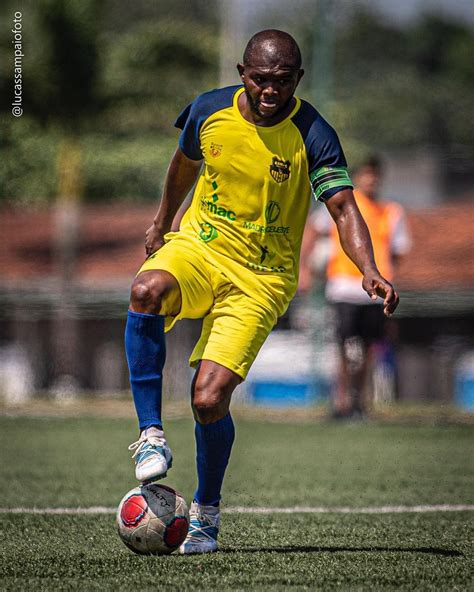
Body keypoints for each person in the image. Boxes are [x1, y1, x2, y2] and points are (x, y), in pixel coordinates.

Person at [124, 30, 399, 554]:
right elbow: (184, 163)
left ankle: (205, 515)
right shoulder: (209, 111)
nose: (270, 91)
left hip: (260, 279)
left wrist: (369, 268)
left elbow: (343, 206)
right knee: (145, 290)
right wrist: (162, 222)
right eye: (260, 79)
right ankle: (151, 433)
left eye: (282, 81)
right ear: (242, 72)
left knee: (208, 400)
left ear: (298, 79)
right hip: (201, 250)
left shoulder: (314, 133)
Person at [299, 156, 410, 418]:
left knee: (370, 348)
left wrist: (385, 276)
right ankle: (341, 402)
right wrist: (305, 268)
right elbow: (314, 230)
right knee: (344, 347)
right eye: (366, 174)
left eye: (375, 175)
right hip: (343, 286)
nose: (371, 180)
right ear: (358, 177)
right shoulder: (344, 205)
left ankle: (361, 403)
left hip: (375, 291)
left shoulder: (391, 212)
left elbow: (398, 251)